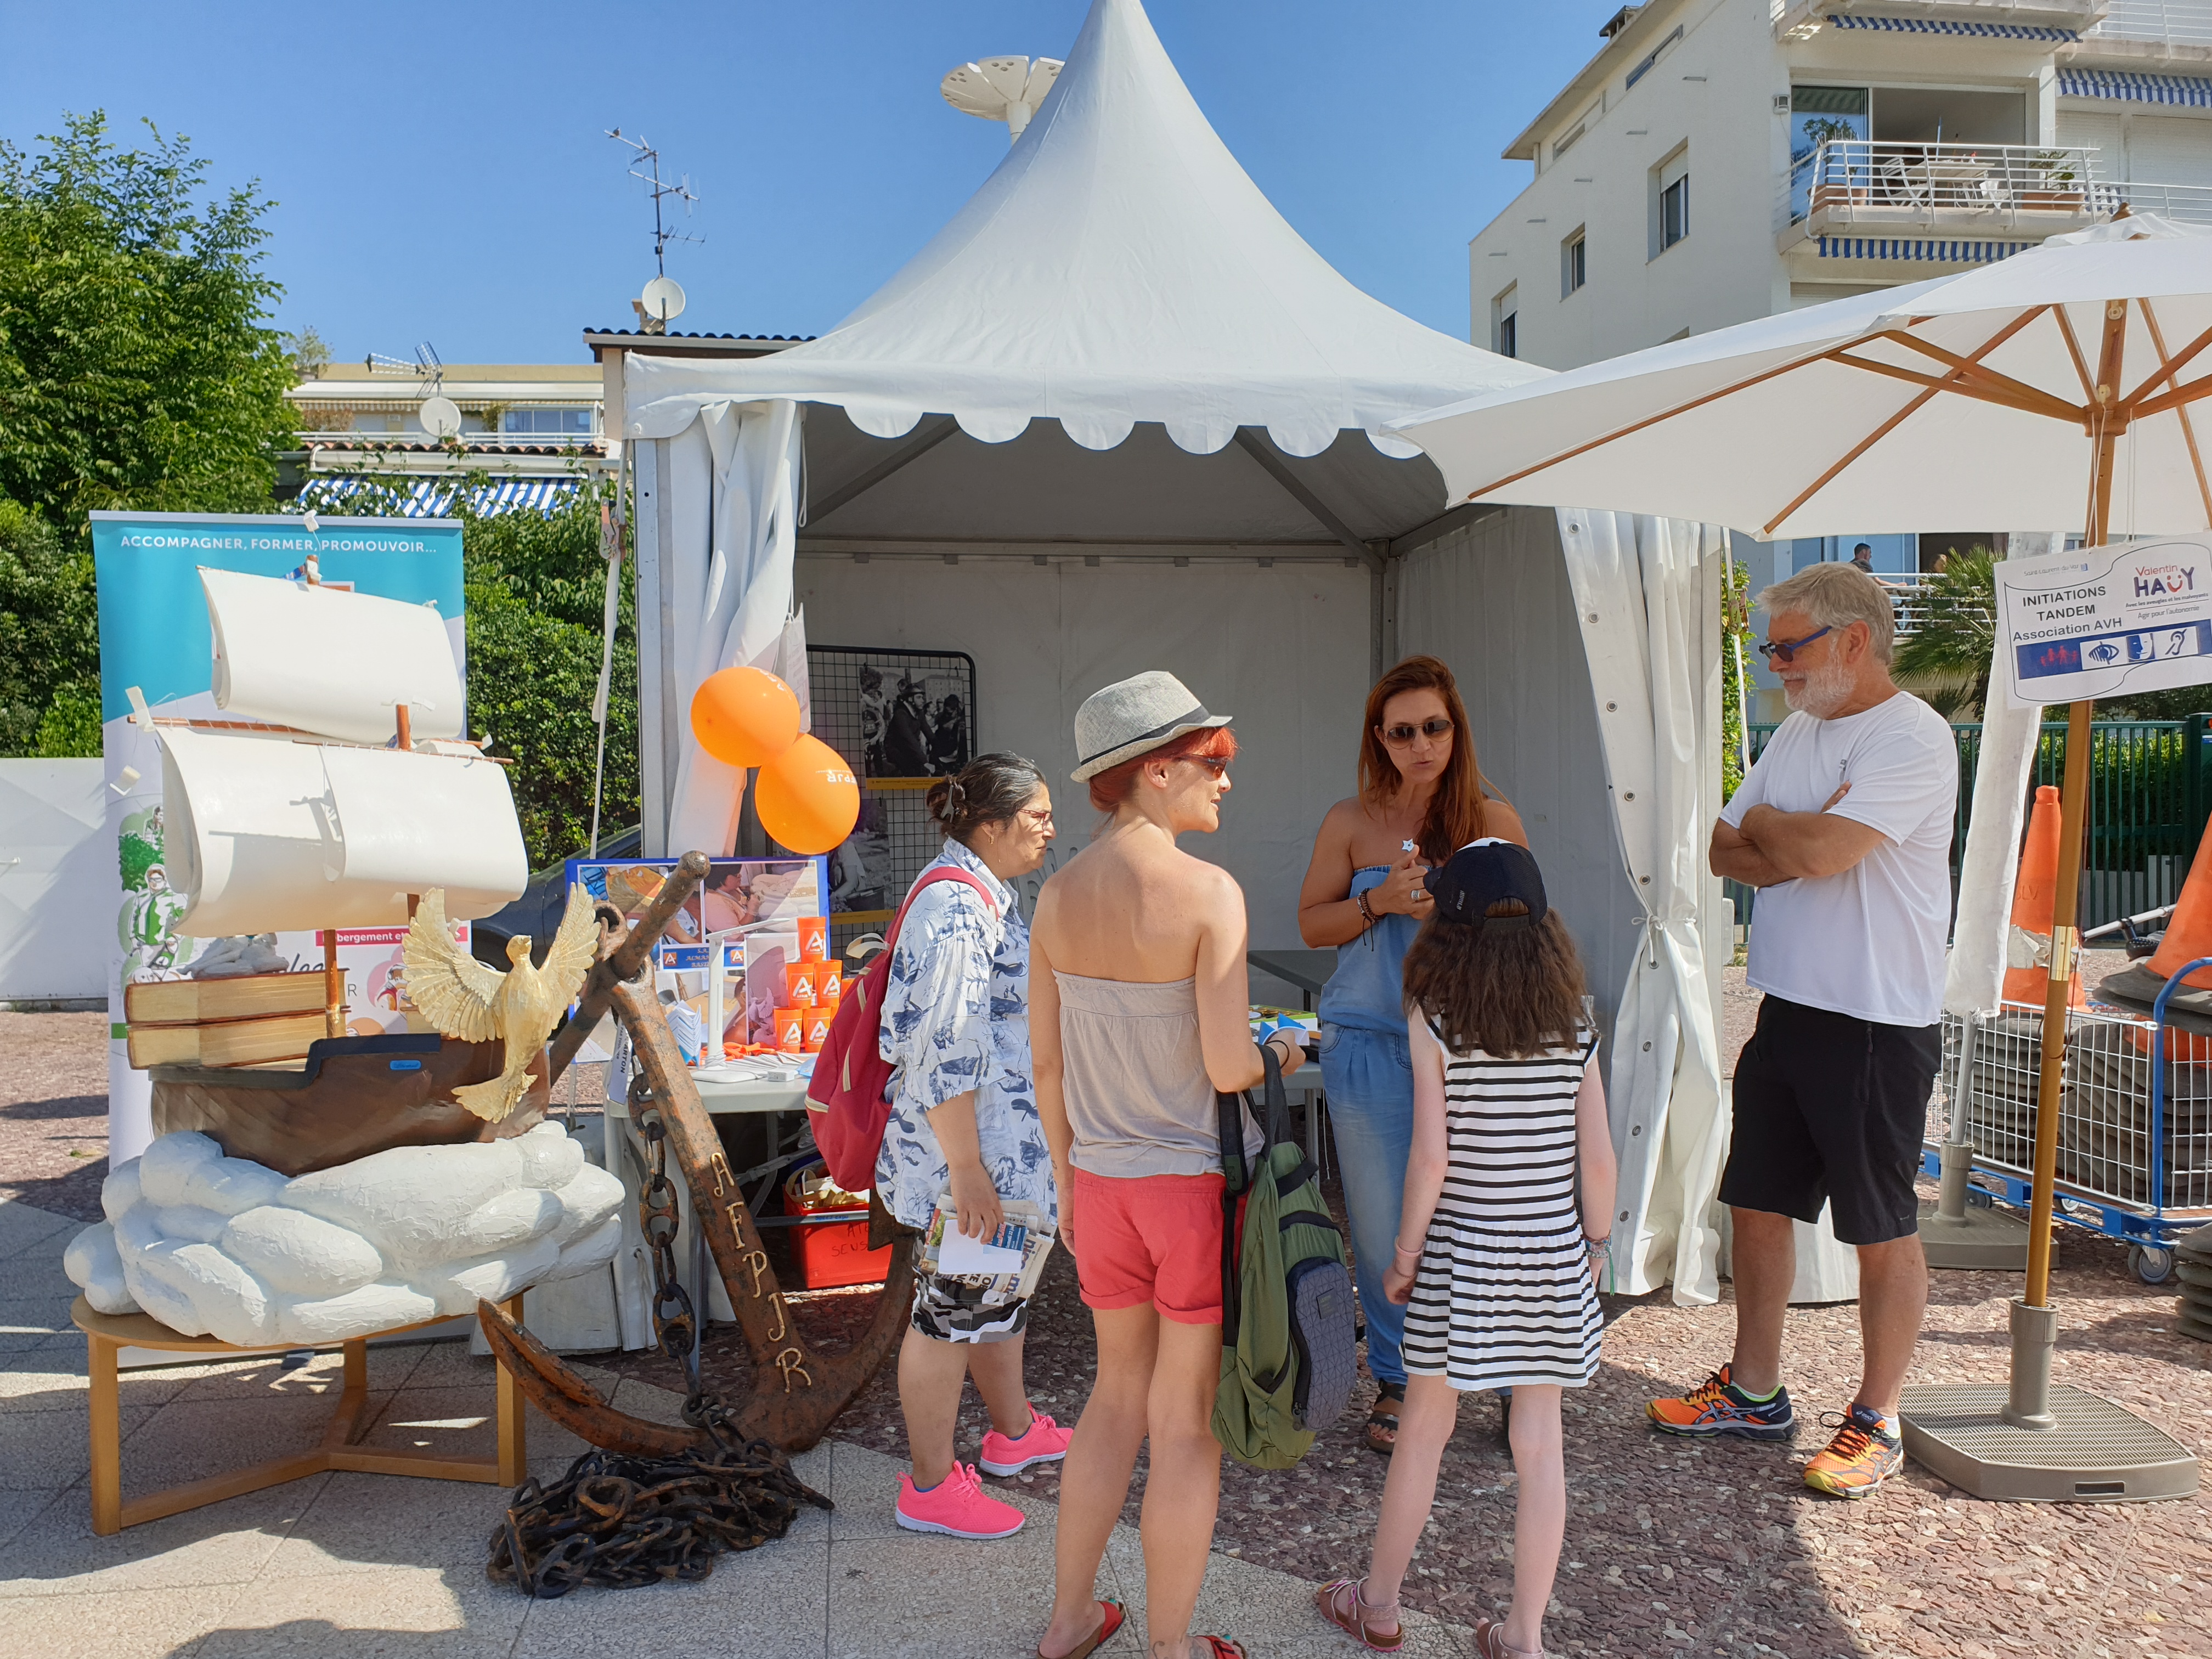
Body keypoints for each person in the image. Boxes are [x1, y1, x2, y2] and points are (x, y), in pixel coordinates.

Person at [1649, 562, 1956, 1501]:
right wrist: (1798, 834)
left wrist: (1789, 837)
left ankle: (1878, 1417)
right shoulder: (1800, 734)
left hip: (1874, 1019)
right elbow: (1723, 846)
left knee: (1880, 1225)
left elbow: (1814, 852)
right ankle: (1755, 1390)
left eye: (1789, 646)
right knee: (1757, 1201)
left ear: (1854, 641)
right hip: (1788, 1007)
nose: (1775, 663)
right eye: (1769, 648)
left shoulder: (1913, 736)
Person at [1031, 670, 1307, 1659]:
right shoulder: (1208, 894)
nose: (1226, 779)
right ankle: (1173, 1647)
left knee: (1111, 1403)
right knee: (1183, 1426)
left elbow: (1048, 1063)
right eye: (1214, 760)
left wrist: (1067, 1184)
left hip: (1101, 1186)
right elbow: (1229, 1063)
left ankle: (1069, 1622)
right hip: (1187, 1189)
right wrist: (1280, 1052)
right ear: (1154, 770)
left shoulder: (1056, 896)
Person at [1315, 840, 1616, 1659]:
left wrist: (1405, 1256)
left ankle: (1377, 1605)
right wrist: (1597, 1242)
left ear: (1445, 927)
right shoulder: (1576, 1020)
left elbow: (1431, 1160)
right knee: (1540, 1443)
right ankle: (1524, 1635)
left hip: (1462, 1254)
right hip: (1551, 1253)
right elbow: (1596, 1157)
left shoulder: (1435, 1022)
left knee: (1424, 1427)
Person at [1295, 655, 1526, 1455]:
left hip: (1473, 1049)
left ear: (1455, 729)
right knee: (1384, 1221)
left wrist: (1461, 908)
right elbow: (1312, 925)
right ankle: (1397, 1378)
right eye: (1403, 732)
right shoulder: (1349, 818)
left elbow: (1528, 932)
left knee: (1486, 1215)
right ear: (1380, 740)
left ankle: (1489, 1370)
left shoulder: (1493, 815)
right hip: (1370, 1043)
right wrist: (1377, 901)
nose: (1421, 744)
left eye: (1434, 727)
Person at [877, 752, 1074, 1539]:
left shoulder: (981, 895)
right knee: (949, 1319)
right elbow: (944, 1049)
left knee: (992, 1301)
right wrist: (969, 1175)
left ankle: (1013, 1435)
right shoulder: (958, 911)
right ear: (990, 824)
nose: (1050, 829)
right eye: (1037, 815)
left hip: (995, 1153)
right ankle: (929, 1487)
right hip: (976, 1160)